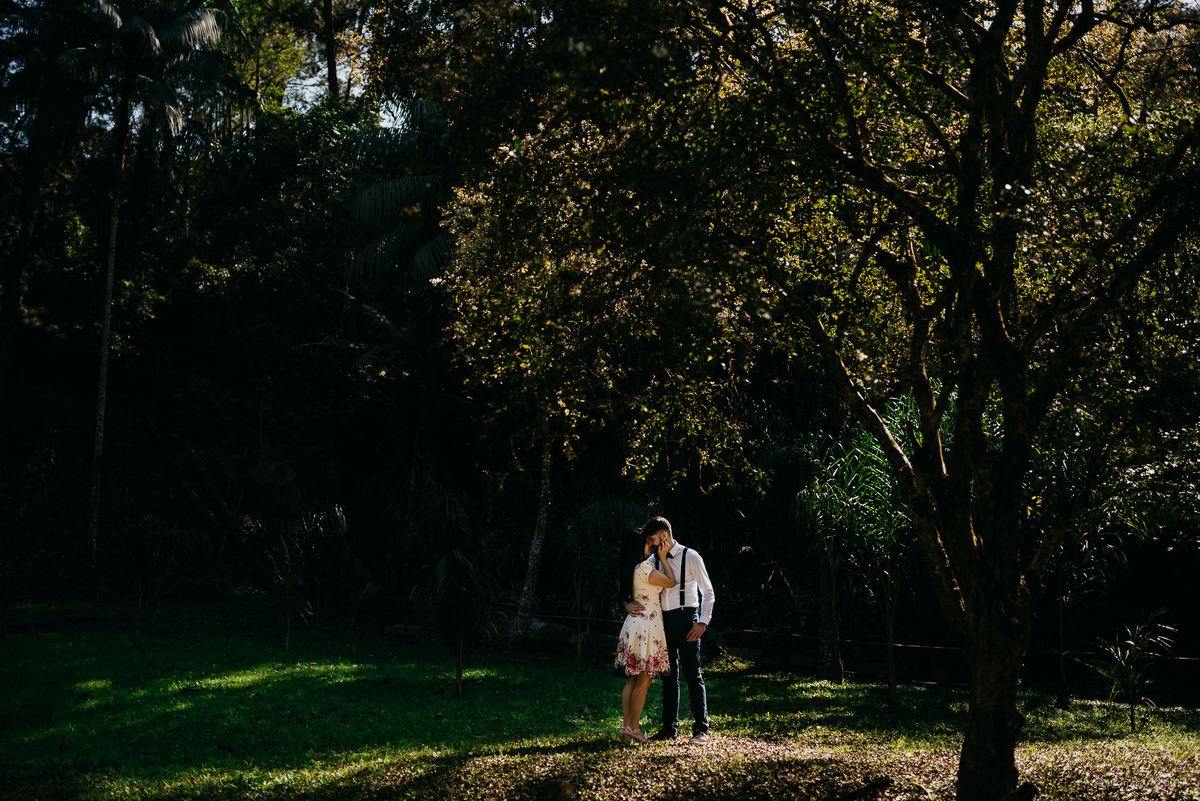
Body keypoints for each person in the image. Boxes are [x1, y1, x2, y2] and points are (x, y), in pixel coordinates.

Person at [624, 516, 714, 745]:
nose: (652, 545)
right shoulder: (652, 560)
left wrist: (702, 622)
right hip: (662, 621)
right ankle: (668, 729)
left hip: (687, 618)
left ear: (664, 536)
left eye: (653, 540)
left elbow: (708, 591)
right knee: (669, 677)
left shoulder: (691, 556)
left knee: (693, 674)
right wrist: (625, 601)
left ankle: (701, 730)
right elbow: (634, 580)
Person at [612, 521, 677, 744]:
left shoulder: (630, 569)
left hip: (634, 625)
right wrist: (666, 559)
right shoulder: (645, 568)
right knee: (644, 680)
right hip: (647, 626)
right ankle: (635, 729)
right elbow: (670, 582)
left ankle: (626, 728)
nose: (650, 546)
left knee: (631, 681)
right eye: (647, 543)